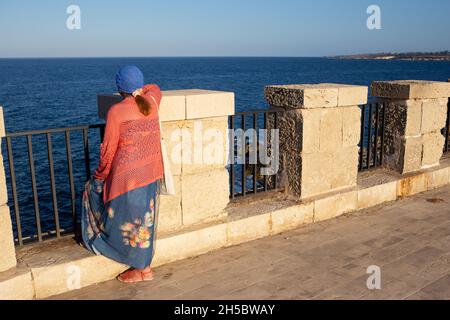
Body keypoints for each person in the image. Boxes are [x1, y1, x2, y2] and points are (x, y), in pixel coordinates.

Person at [81, 66, 163, 283]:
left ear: (119, 89)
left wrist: (99, 177)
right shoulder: (152, 102)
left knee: (127, 221)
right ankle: (144, 267)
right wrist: (140, 89)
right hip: (151, 172)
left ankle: (141, 268)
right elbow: (155, 88)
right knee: (145, 222)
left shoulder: (116, 111)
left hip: (127, 177)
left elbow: (108, 151)